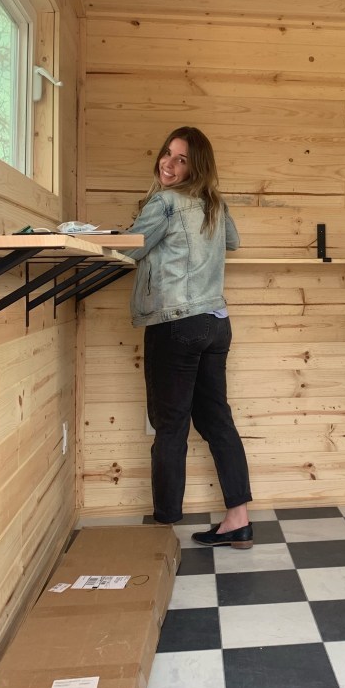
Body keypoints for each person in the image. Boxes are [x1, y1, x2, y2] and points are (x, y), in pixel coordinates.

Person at [128, 126, 253, 548]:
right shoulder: (213, 203)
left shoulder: (164, 202)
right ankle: (238, 518)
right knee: (217, 419)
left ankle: (163, 526)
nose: (169, 163)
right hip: (215, 322)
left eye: (182, 159)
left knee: (170, 425)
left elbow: (131, 249)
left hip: (176, 323)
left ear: (195, 166)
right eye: (167, 153)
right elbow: (232, 241)